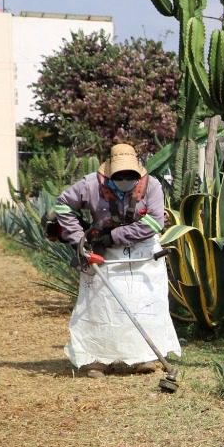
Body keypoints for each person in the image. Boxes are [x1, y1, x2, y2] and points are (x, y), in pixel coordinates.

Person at [53, 143, 181, 378]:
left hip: (143, 252)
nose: (124, 179)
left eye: (129, 175)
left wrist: (114, 236)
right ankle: (96, 359)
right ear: (109, 171)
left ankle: (144, 357)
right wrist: (80, 240)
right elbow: (62, 205)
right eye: (119, 175)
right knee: (100, 305)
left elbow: (154, 223)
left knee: (145, 303)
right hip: (103, 253)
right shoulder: (91, 184)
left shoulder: (151, 186)